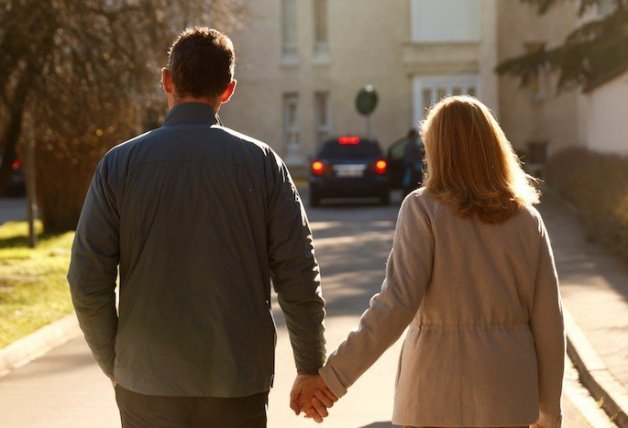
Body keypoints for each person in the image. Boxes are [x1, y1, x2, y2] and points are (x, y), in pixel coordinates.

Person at [68, 27, 330, 428]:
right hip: (237, 381)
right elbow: (298, 276)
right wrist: (310, 366)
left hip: (146, 384)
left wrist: (116, 362)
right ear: (228, 90)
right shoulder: (263, 165)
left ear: (167, 81)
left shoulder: (119, 166)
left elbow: (87, 281)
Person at [292, 96, 565, 428]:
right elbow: (550, 322)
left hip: (436, 392)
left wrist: (332, 378)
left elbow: (396, 304)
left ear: (437, 149)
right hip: (508, 394)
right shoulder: (527, 219)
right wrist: (549, 412)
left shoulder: (423, 210)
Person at [401, 128, 424, 197]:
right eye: (416, 134)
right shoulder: (412, 144)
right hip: (412, 165)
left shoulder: (409, 143)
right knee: (410, 181)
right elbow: (414, 155)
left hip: (411, 164)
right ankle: (407, 194)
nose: (417, 136)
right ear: (412, 135)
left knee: (408, 181)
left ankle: (405, 194)